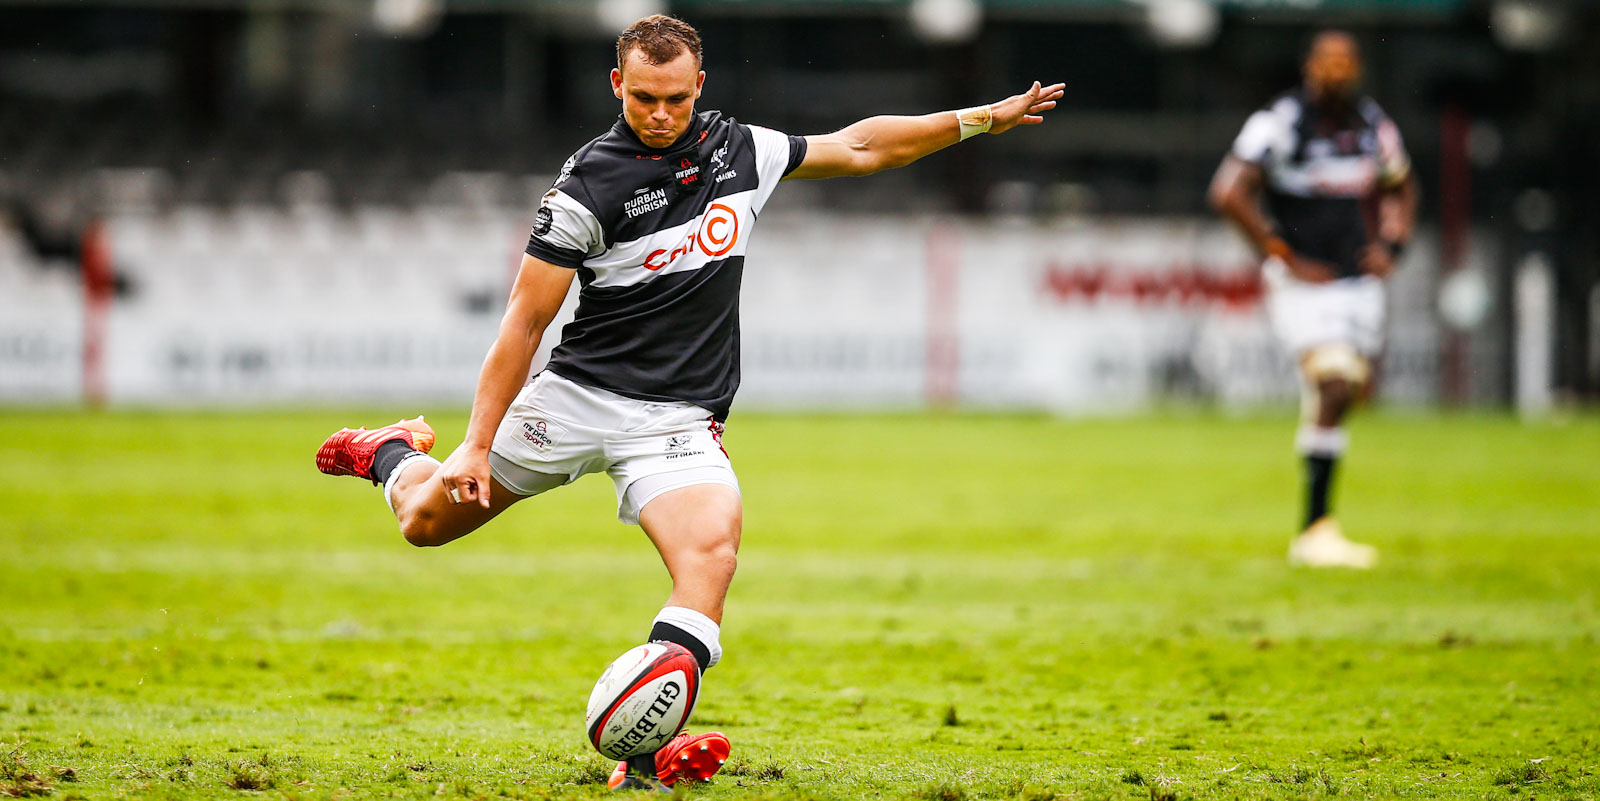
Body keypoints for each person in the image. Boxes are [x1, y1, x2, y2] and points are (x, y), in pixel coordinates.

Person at [315, 14, 1064, 791]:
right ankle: (390, 452)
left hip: (675, 421)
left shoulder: (740, 150)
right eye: (644, 98)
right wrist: (471, 444)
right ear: (618, 85)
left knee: (711, 551)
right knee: (425, 523)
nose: (662, 113)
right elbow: (525, 319)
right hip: (575, 398)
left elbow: (864, 145)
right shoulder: (586, 186)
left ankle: (643, 758)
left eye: (675, 97)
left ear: (698, 86)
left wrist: (980, 118)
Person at [1209, 30, 1417, 569]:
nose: (1337, 72)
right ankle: (1315, 530)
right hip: (1304, 284)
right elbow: (1229, 193)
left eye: (1346, 62)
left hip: (1358, 281)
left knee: (1346, 393)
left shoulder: (1371, 124)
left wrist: (1393, 244)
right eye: (1327, 62)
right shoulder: (1277, 122)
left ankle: (1317, 525)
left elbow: (1403, 186)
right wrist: (1282, 254)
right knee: (1335, 383)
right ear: (1309, 67)